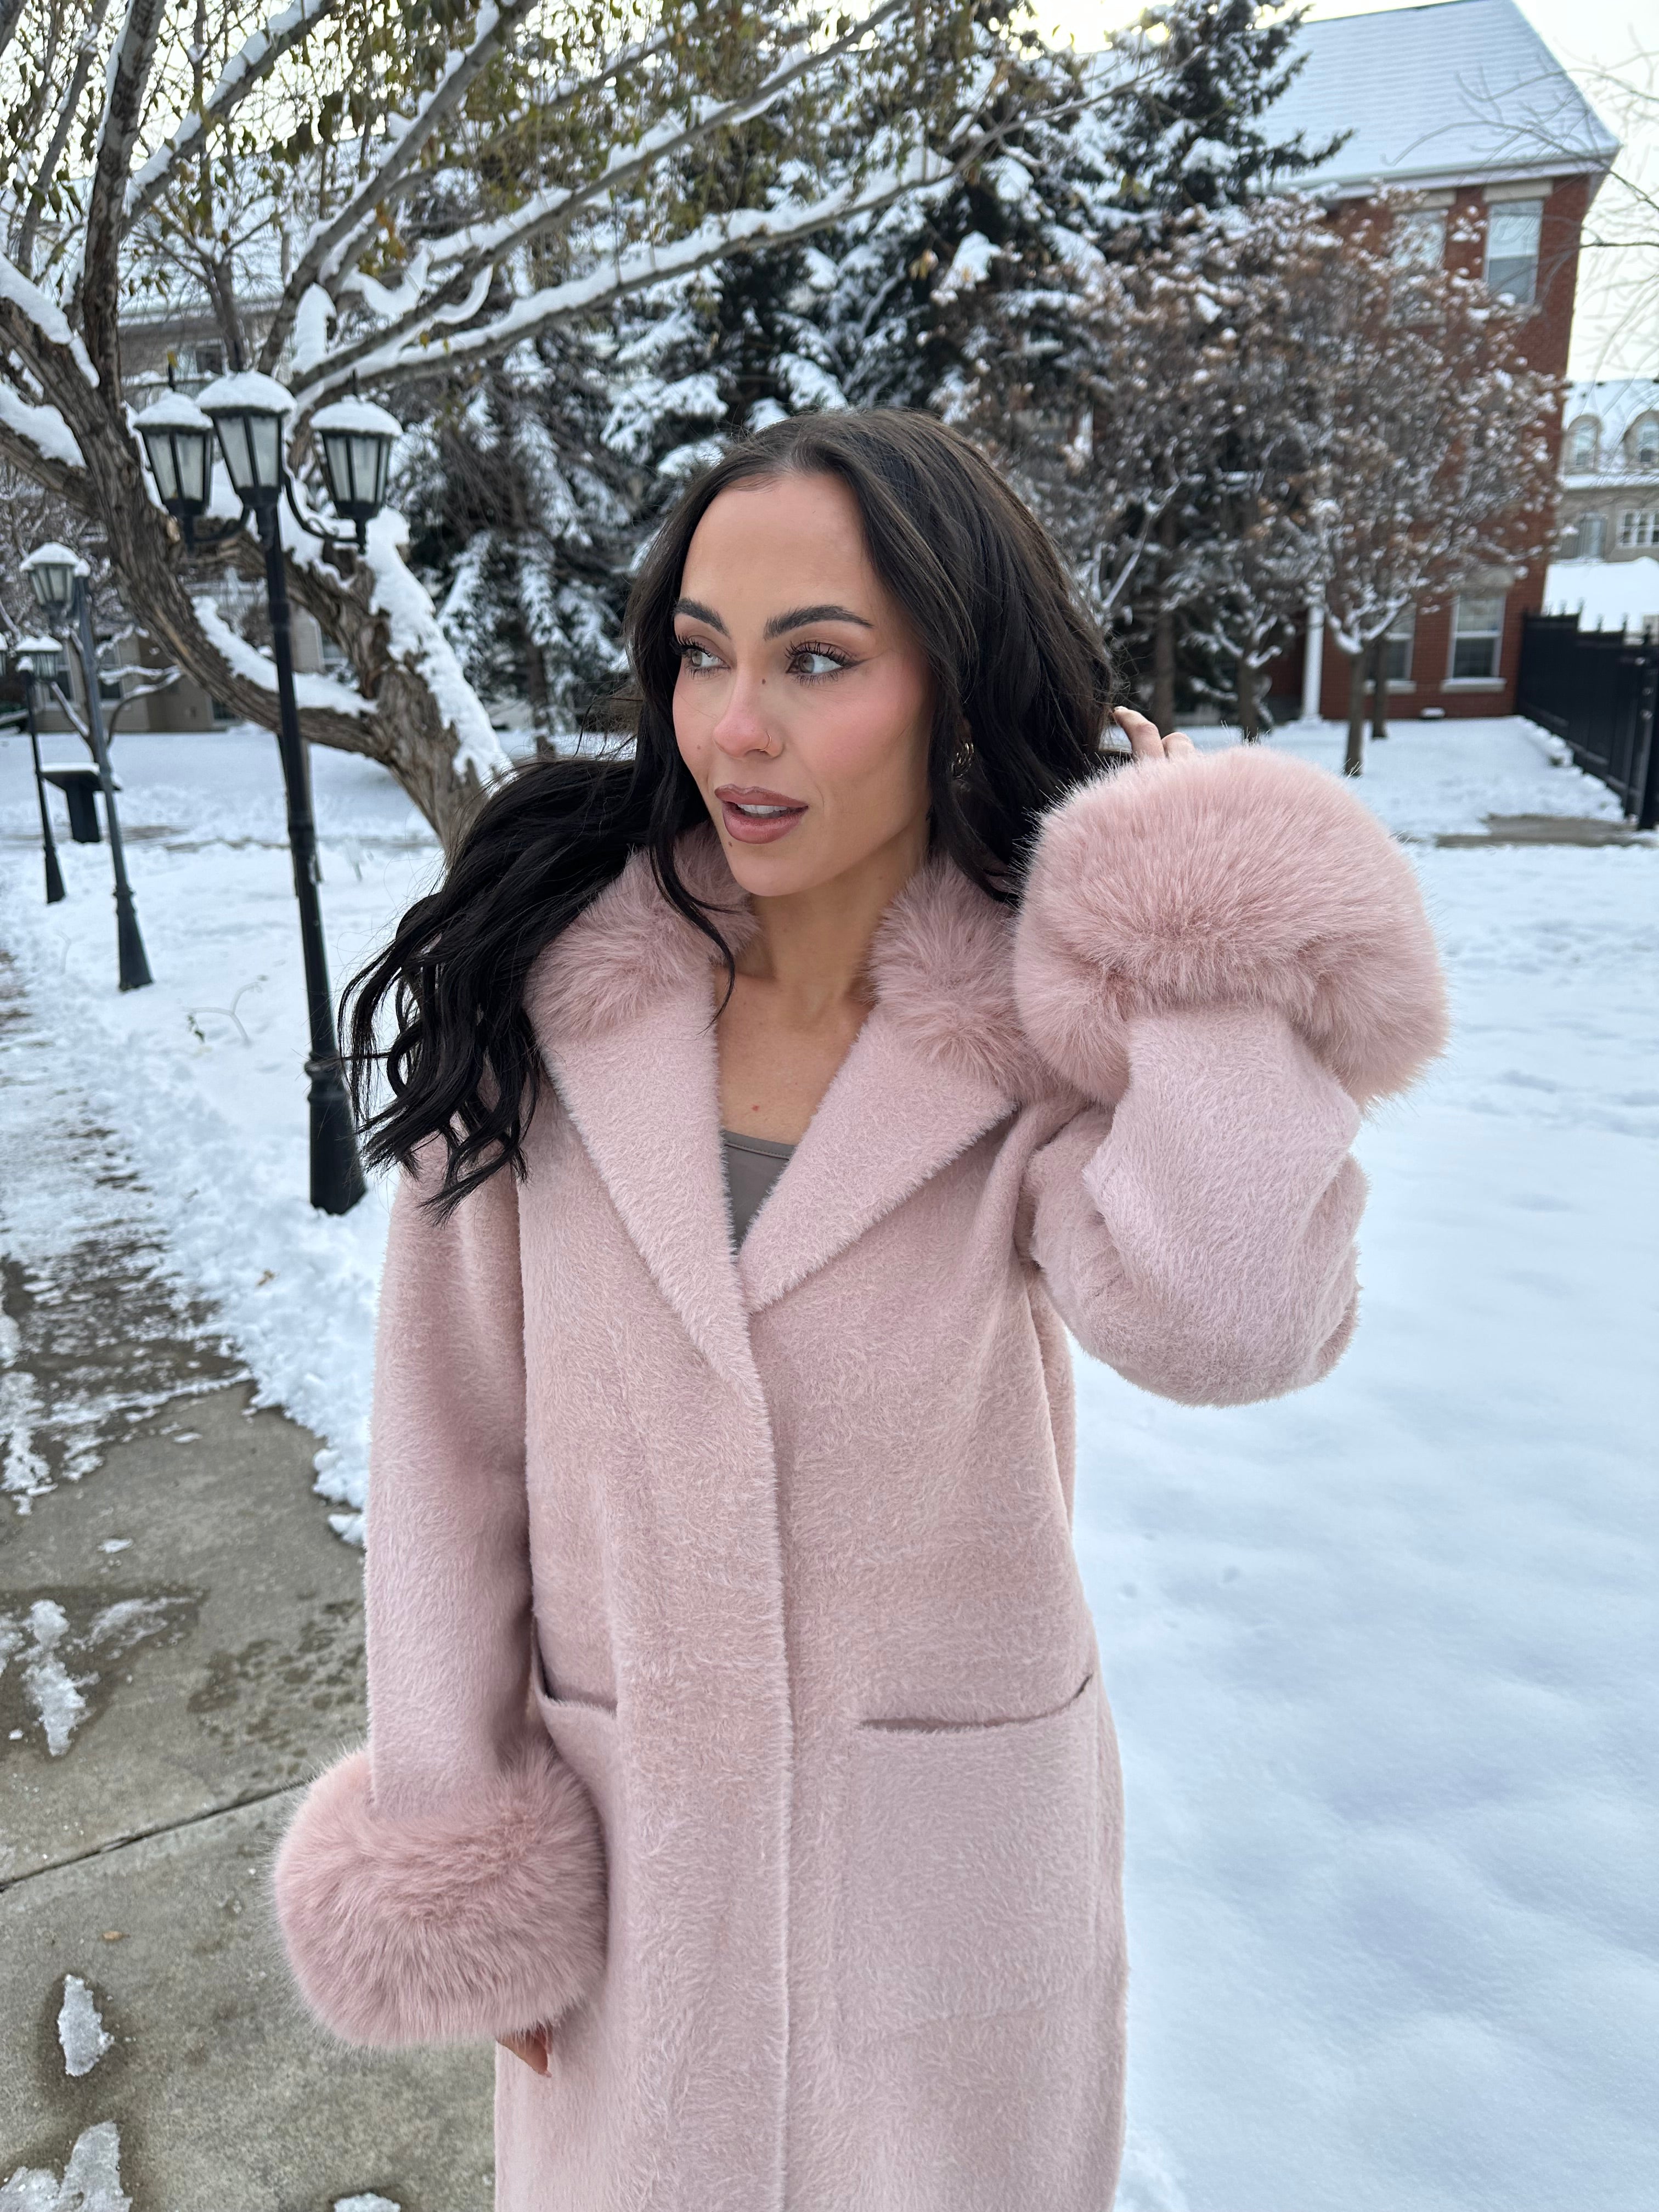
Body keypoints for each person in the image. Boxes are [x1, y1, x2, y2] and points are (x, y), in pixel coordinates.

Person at [270, 410, 1448, 2211]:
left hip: (952, 1877)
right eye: (700, 654)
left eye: (820, 659)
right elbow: (451, 1454)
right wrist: (458, 1827)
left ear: (953, 686)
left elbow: (1237, 1317)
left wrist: (1180, 916)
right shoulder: (548, 1000)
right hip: (640, 1863)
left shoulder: (1044, 1033)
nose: (736, 728)